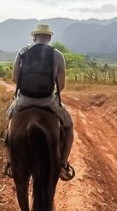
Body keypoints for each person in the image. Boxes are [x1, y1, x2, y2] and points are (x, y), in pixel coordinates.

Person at [6, 23, 75, 181]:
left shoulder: (23, 51)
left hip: (23, 100)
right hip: (48, 101)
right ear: (49, 38)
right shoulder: (57, 54)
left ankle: (11, 163)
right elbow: (61, 85)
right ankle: (63, 165)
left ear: (34, 37)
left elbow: (14, 78)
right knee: (69, 128)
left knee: (8, 124)